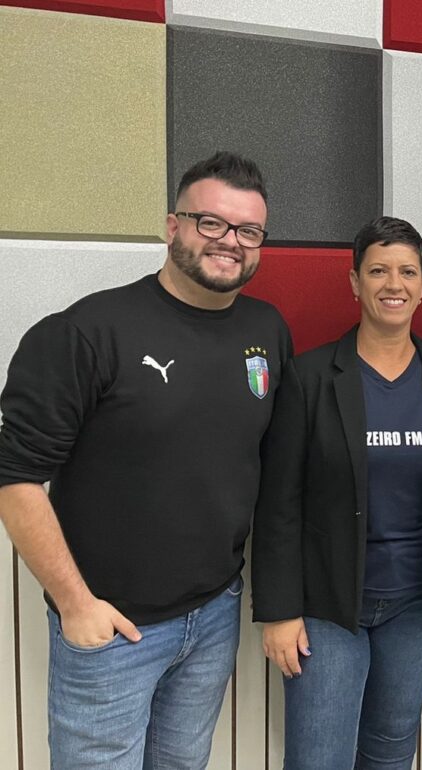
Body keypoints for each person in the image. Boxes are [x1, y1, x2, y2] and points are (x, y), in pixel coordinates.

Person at [0, 151, 291, 768]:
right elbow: (15, 477)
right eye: (211, 222)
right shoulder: (86, 332)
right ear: (172, 226)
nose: (230, 241)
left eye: (249, 231)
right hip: (112, 629)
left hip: (214, 613)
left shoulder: (266, 330)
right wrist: (76, 604)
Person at [251, 215, 422, 770]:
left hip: (416, 605)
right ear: (354, 282)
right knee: (319, 758)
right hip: (327, 607)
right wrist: (278, 611)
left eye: (407, 272)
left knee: (390, 752)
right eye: (378, 271)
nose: (393, 284)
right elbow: (278, 503)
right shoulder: (309, 378)